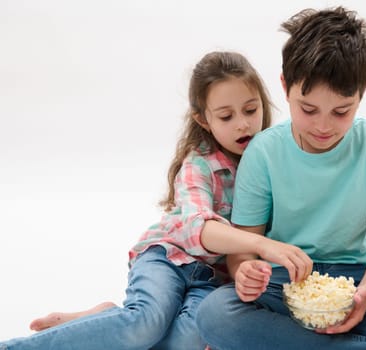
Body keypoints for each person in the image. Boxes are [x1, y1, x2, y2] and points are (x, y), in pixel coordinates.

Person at [196, 7, 366, 350]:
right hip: (284, 282)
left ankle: (307, 340)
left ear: (362, 92)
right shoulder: (263, 152)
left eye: (341, 111)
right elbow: (245, 249)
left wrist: (364, 296)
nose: (323, 126)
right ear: (285, 86)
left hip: (356, 280)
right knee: (215, 314)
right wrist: (246, 275)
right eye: (308, 109)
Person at [0, 51, 312, 350]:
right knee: (145, 323)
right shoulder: (199, 165)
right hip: (168, 258)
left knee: (189, 341)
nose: (242, 123)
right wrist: (260, 246)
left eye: (250, 109)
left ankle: (104, 320)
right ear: (204, 120)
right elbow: (196, 227)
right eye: (226, 116)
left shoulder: (270, 162)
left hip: (213, 278)